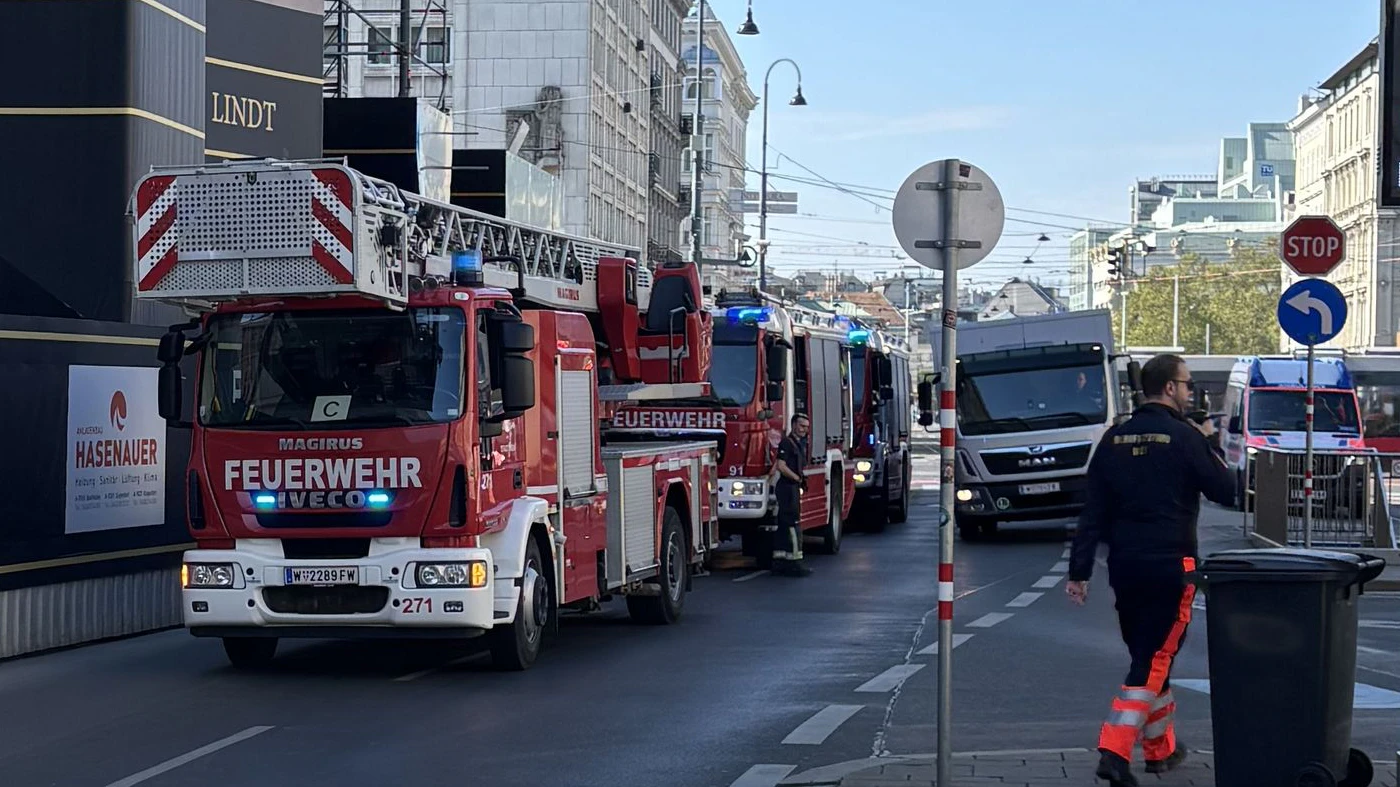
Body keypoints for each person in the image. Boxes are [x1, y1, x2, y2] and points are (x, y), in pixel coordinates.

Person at [1066, 354, 1235, 787]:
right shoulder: (1184, 437)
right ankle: (1114, 750)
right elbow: (1226, 490)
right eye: (1188, 385)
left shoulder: (1113, 439)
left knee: (1147, 655)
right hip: (1171, 564)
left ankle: (1161, 751)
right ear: (1171, 388)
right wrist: (1210, 442)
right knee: (1155, 657)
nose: (1191, 392)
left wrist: (1079, 570)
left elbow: (1093, 513)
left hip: (1124, 565)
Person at [771, 413, 812, 577]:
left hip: (791, 487)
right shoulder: (787, 443)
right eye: (802, 426)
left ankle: (780, 561)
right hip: (788, 488)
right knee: (793, 525)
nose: (804, 430)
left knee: (783, 526)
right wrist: (797, 478)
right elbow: (780, 465)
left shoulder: (798, 443)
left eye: (807, 427)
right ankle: (796, 561)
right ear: (794, 425)